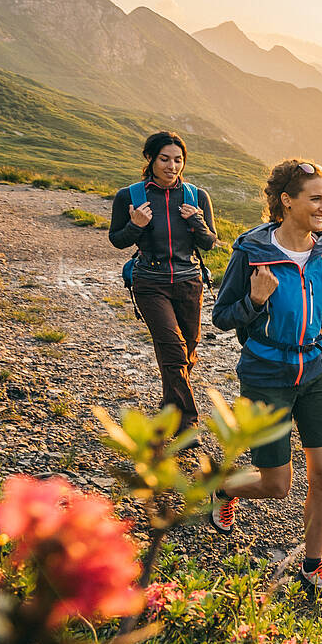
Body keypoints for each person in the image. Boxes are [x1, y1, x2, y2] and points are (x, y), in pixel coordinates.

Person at [209, 158, 322, 598]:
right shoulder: (252, 252)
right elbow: (222, 316)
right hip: (266, 375)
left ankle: (313, 565)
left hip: (315, 371)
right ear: (287, 201)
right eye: (316, 198)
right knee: (277, 485)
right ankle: (222, 488)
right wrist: (255, 302)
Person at [108, 131, 217, 444]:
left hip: (189, 282)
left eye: (178, 160)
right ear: (151, 160)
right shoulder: (129, 196)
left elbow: (210, 243)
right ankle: (187, 425)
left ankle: (169, 409)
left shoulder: (197, 196)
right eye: (165, 159)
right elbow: (117, 240)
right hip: (150, 282)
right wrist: (135, 226)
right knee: (173, 348)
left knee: (186, 353)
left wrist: (197, 222)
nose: (172, 166)